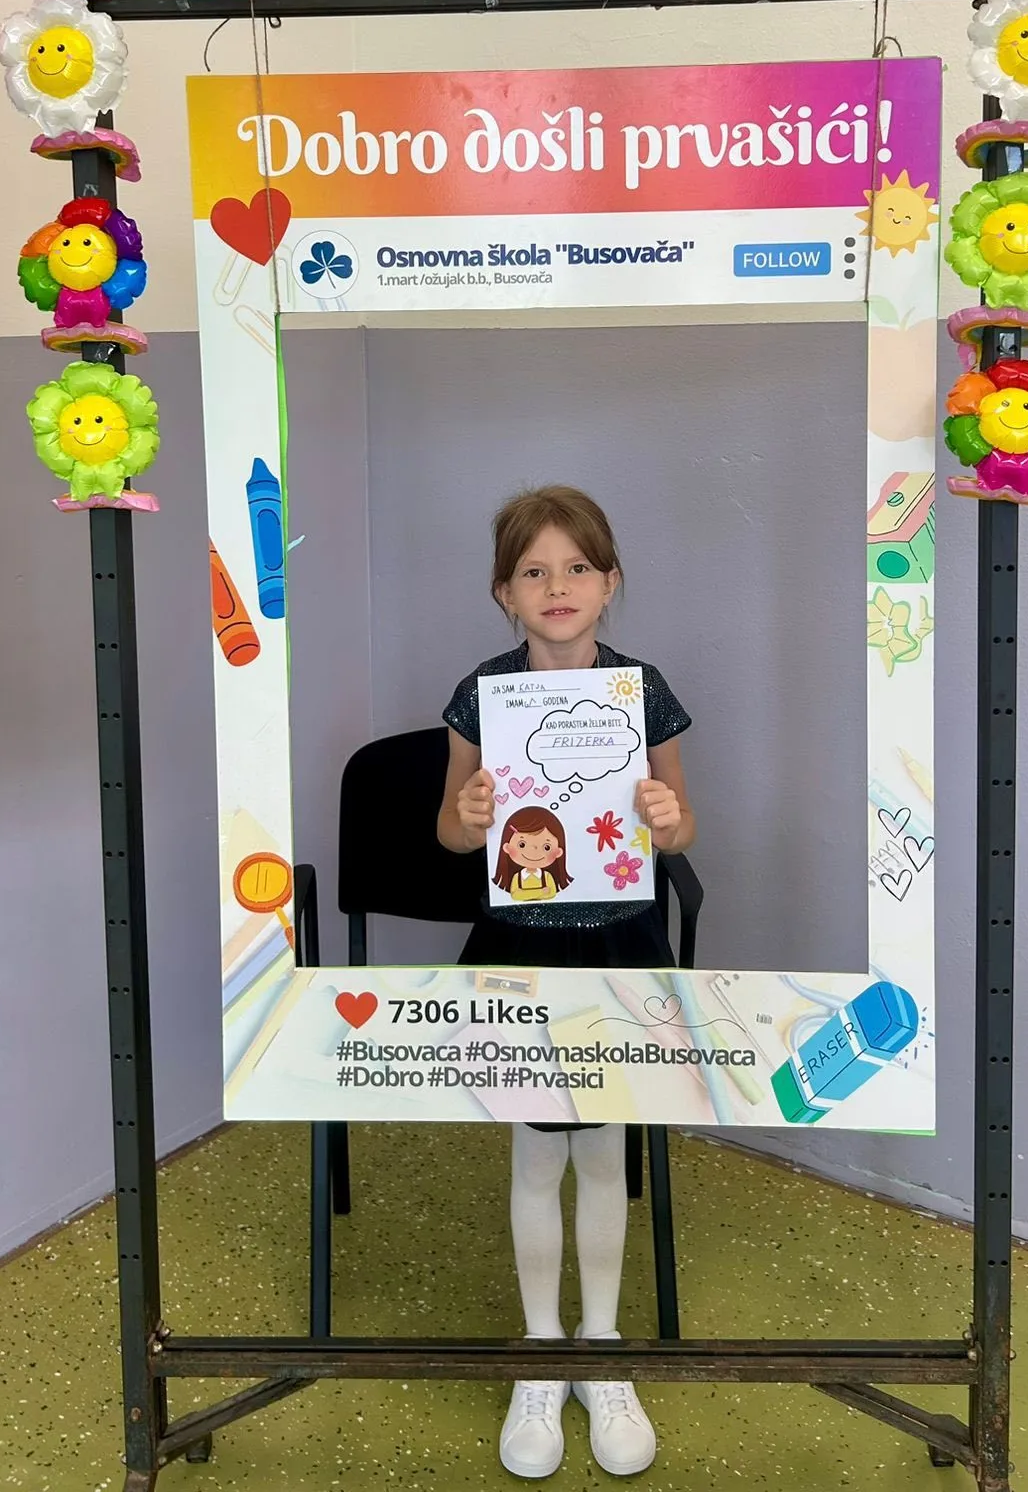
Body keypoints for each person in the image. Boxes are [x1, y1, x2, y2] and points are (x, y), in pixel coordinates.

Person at [438, 485, 696, 1479]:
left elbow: (682, 826)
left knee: (604, 1151)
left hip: (621, 944)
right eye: (535, 570)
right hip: (522, 952)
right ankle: (542, 1352)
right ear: (504, 592)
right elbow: (450, 831)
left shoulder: (641, 688)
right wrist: (469, 814)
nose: (558, 585)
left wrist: (666, 818)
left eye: (578, 567)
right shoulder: (484, 692)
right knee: (537, 1157)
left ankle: (603, 1348)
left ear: (610, 581)